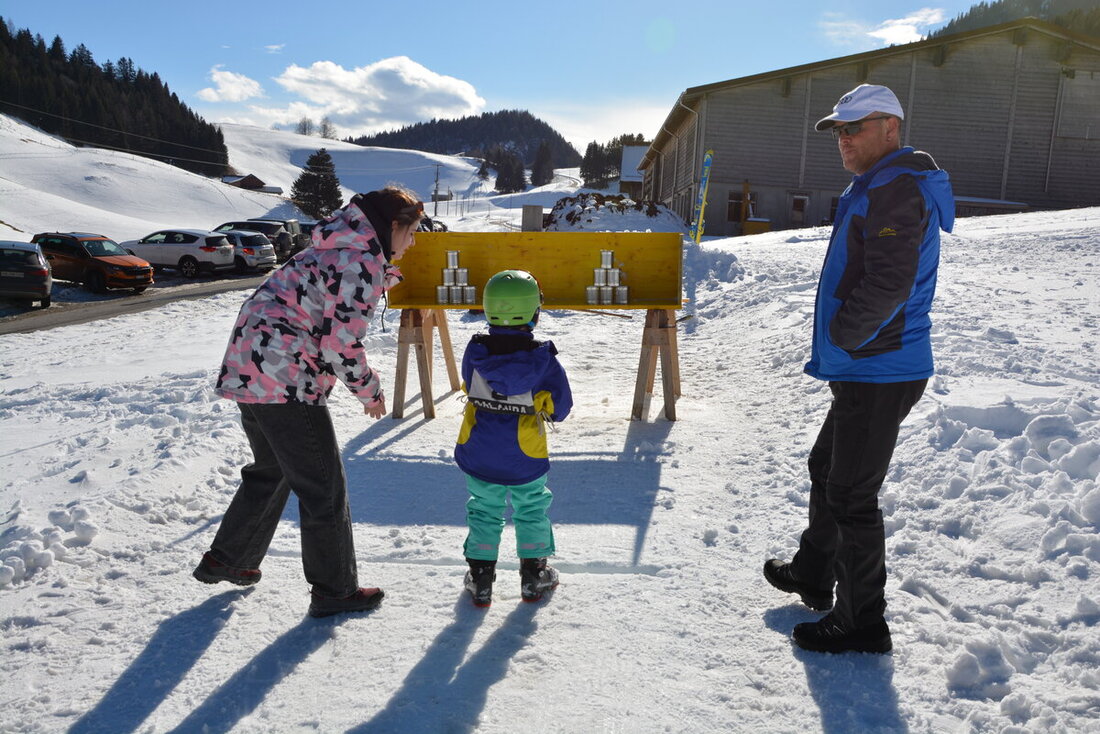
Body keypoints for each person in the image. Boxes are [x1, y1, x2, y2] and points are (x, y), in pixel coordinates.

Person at [764, 84, 955, 653]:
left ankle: (862, 622)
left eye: (855, 127)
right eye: (839, 130)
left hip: (881, 366)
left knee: (850, 494)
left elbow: (890, 283)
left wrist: (844, 336)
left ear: (891, 128)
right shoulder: (879, 182)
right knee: (827, 468)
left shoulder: (895, 188)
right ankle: (813, 572)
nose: (843, 139)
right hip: (868, 364)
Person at [193, 186, 424, 618]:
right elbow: (341, 344)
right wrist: (370, 391)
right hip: (285, 378)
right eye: (411, 234)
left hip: (251, 366)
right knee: (323, 487)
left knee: (273, 469)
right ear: (393, 226)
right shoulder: (360, 259)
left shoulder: (337, 245)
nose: (412, 244)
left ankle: (229, 559)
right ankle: (335, 590)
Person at [454, 270, 573, 607]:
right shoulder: (542, 360)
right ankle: (534, 575)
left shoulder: (476, 351)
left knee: (484, 508)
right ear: (535, 312)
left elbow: (468, 383)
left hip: (479, 447)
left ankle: (481, 578)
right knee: (531, 507)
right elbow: (560, 408)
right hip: (525, 455)